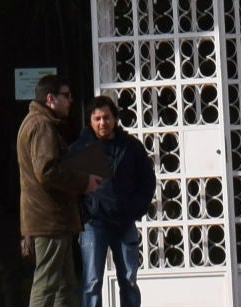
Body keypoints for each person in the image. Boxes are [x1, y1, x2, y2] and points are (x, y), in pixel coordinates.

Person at [71, 94, 157, 307]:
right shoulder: (80, 149)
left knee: (128, 279)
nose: (103, 123)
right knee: (92, 282)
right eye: (97, 118)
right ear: (90, 121)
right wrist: (84, 213)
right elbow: (69, 186)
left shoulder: (131, 147)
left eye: (107, 117)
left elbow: (147, 181)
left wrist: (134, 209)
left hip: (124, 223)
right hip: (93, 224)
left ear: (115, 119)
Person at [15, 75, 89, 307]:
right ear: (50, 98)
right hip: (49, 219)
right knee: (47, 283)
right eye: (66, 96)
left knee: (65, 285)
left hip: (54, 219)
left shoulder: (38, 122)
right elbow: (47, 171)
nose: (71, 101)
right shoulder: (41, 125)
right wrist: (83, 181)